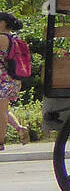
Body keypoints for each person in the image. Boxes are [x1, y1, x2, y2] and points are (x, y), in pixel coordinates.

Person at [0, 12, 29, 149]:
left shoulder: (2, 38)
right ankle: (20, 128)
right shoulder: (13, 38)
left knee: (2, 112)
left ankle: (0, 142)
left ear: (3, 23)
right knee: (3, 110)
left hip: (3, 80)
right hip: (12, 80)